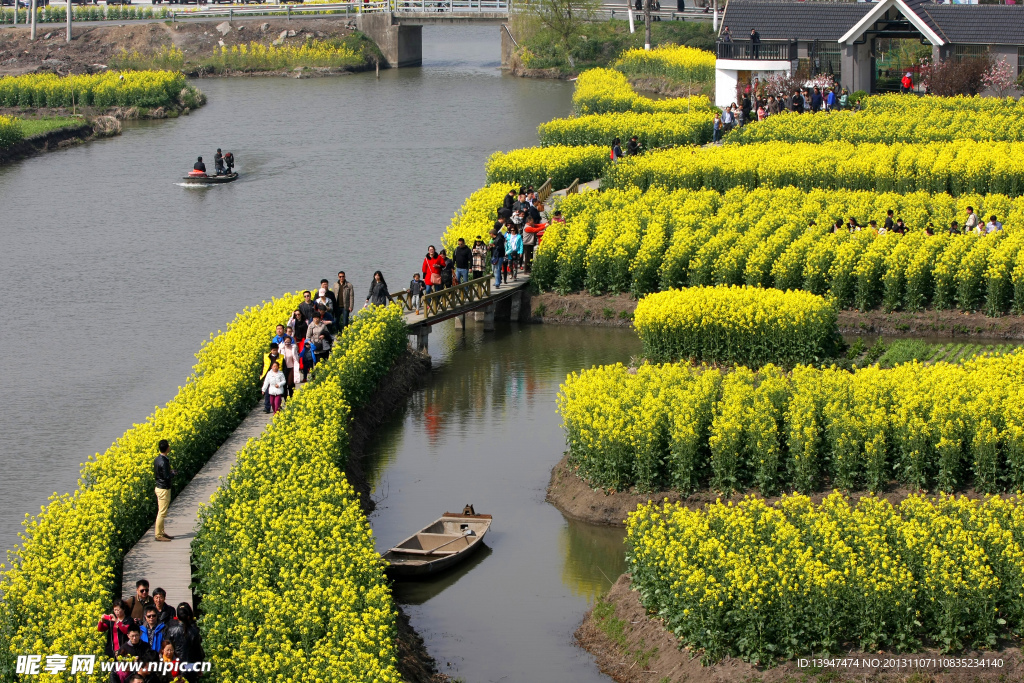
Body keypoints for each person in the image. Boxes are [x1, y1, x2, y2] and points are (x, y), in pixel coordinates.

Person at [165, 604, 203, 682]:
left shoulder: (171, 630)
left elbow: (167, 646)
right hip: (190, 664)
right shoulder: (194, 631)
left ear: (177, 617)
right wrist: (199, 666)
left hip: (175, 663)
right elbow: (198, 651)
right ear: (189, 616)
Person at [153, 441, 174, 542]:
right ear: (167, 448)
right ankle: (158, 535)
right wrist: (173, 473)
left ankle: (162, 532)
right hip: (163, 489)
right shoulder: (164, 461)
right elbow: (166, 476)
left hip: (159, 487)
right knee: (161, 513)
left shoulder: (157, 459)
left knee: (161, 511)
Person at [261, 343, 283, 413]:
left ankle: (278, 407)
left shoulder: (281, 357)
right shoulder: (267, 356)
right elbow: (263, 365)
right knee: (268, 393)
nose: (275, 351)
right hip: (269, 376)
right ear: (271, 350)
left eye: (276, 350)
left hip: (278, 376)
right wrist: (261, 374)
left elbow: (284, 366)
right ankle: (267, 408)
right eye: (273, 350)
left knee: (278, 393)